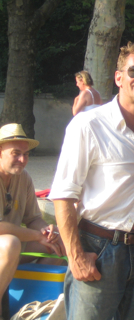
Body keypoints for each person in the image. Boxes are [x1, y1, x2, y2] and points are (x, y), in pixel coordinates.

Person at [49, 41, 134, 320]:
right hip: (100, 248)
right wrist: (75, 257)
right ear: (118, 77)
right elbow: (63, 195)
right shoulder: (88, 124)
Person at [0, 124, 65, 318]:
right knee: (10, 244)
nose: (22, 160)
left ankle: (34, 307)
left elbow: (33, 218)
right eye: (16, 153)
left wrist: (46, 231)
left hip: (9, 248)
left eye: (26, 154)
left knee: (59, 240)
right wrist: (37, 235)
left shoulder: (24, 178)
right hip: (7, 246)